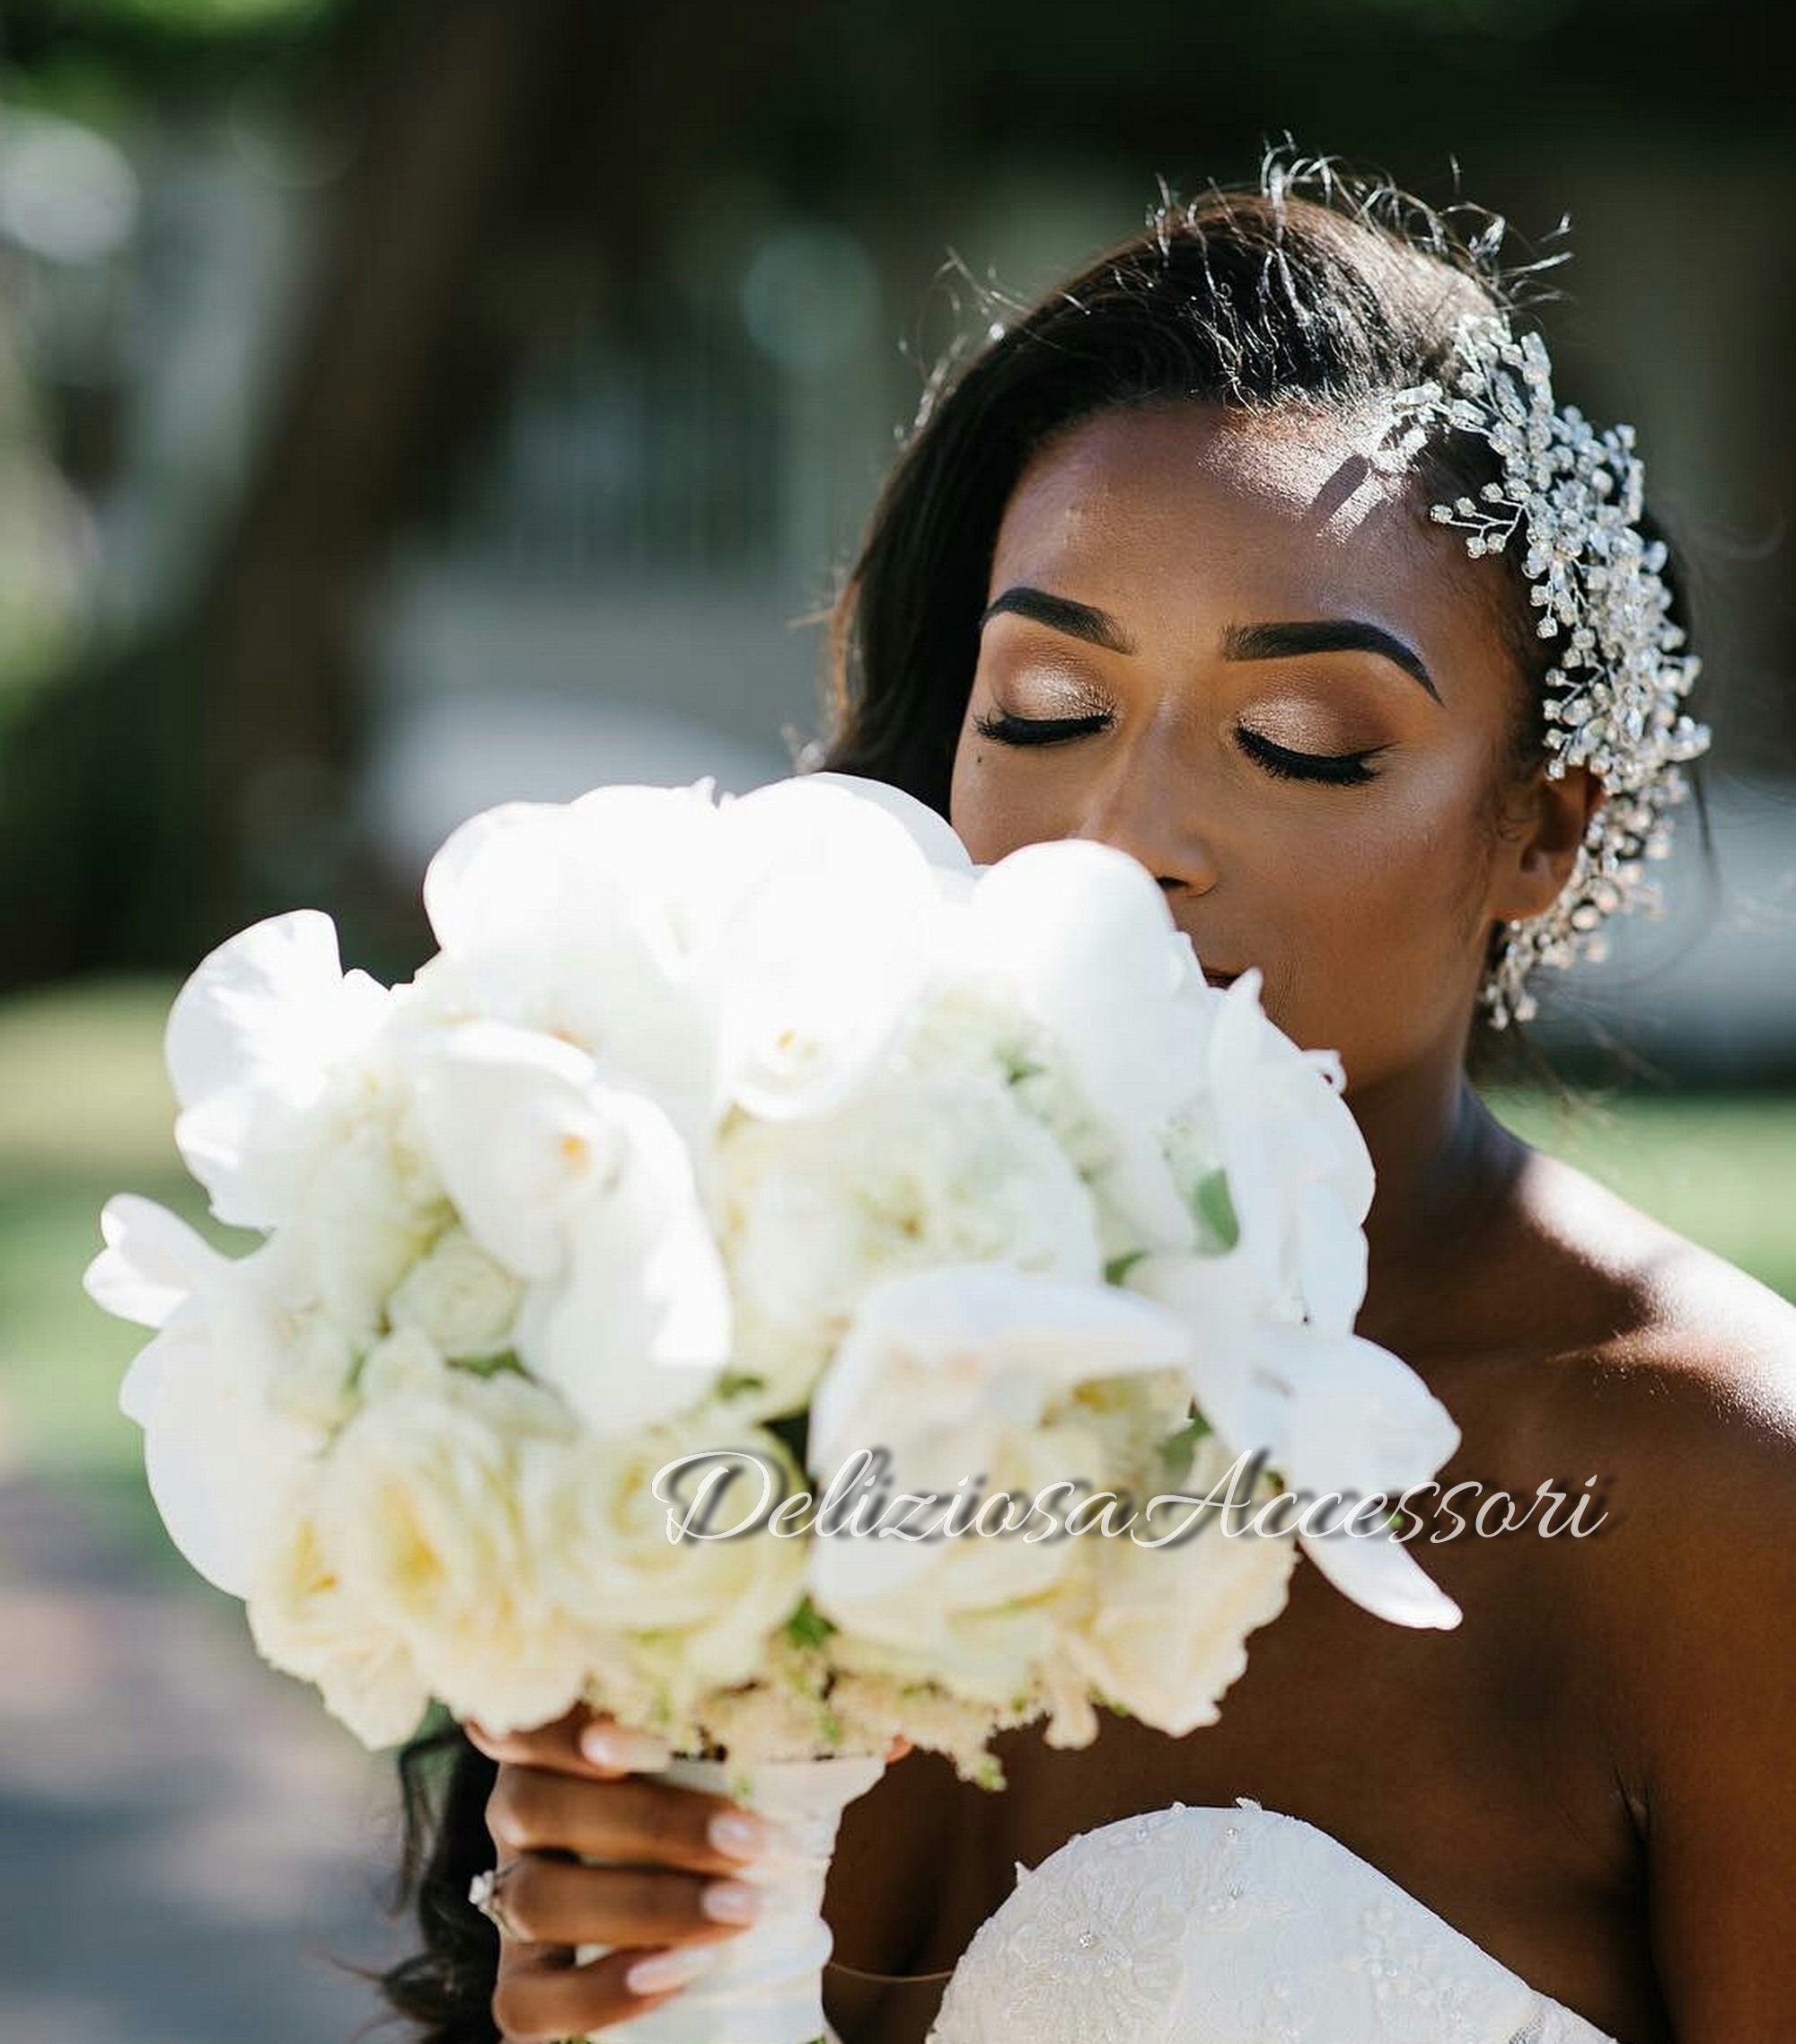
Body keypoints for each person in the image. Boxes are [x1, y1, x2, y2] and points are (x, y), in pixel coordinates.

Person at [371, 151, 1796, 2044]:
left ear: (1537, 829)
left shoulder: (1713, 1493)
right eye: (1044, 711)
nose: (1123, 845)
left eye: (1297, 741)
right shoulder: (732, 1336)